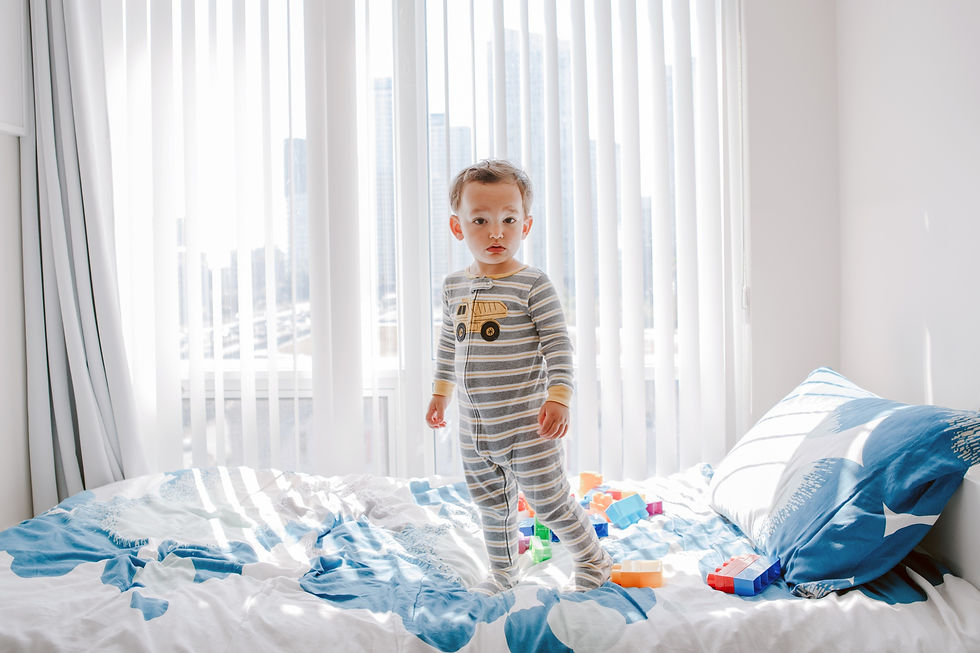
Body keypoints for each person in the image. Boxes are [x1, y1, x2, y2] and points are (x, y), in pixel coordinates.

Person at [425, 159, 612, 595]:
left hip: (528, 423)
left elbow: (558, 345)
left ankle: (593, 559)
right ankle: (503, 572)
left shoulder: (533, 284)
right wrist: (440, 393)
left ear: (525, 225)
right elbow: (450, 344)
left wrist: (560, 397)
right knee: (491, 502)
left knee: (549, 500)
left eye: (509, 220)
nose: (496, 232)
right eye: (481, 220)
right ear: (458, 228)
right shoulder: (454, 286)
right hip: (476, 428)